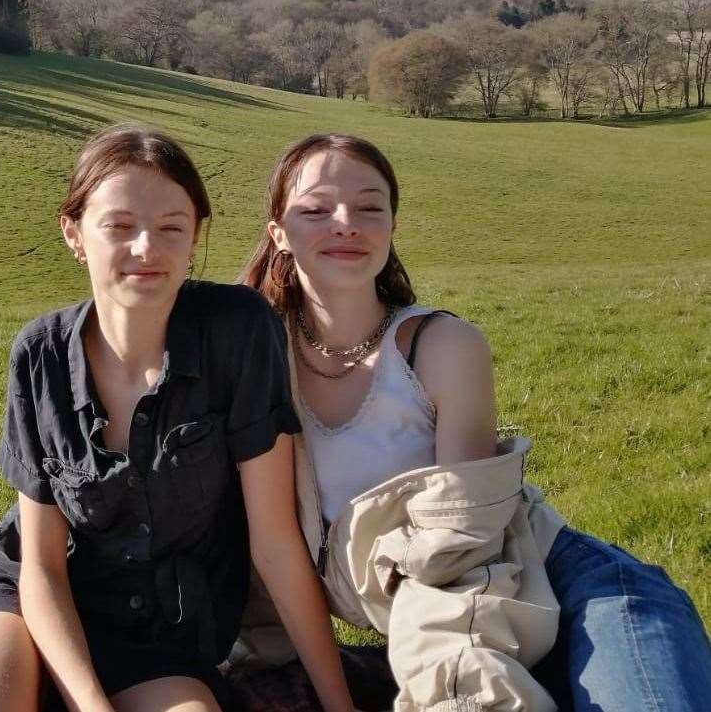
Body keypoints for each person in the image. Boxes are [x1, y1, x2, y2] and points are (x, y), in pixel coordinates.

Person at [0, 125, 355, 712]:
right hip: (30, 604)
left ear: (195, 235)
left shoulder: (238, 330)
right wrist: (89, 704)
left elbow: (276, 542)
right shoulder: (41, 355)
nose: (147, 248)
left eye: (171, 227)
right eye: (120, 226)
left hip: (162, 630)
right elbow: (43, 566)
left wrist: (340, 705)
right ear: (74, 233)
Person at [232, 132, 711, 711]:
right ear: (277, 232)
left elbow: (458, 549)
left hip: (569, 585)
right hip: (462, 605)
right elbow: (265, 546)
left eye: (369, 207)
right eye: (316, 209)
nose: (345, 223)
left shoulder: (441, 345)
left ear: (392, 227)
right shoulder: (257, 357)